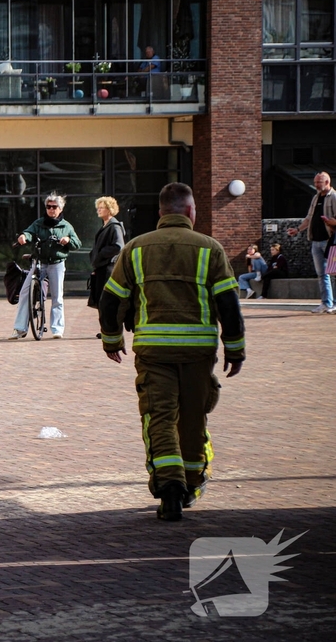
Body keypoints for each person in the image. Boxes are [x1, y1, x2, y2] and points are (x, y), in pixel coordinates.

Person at [99, 182, 245, 521]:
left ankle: (169, 489)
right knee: (194, 419)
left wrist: (111, 339)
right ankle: (192, 483)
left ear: (162, 213)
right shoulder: (211, 249)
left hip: (153, 352)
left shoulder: (136, 249)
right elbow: (229, 304)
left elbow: (111, 300)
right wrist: (235, 350)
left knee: (159, 418)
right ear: (191, 212)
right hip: (199, 353)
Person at [8, 192, 81, 340]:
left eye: (54, 207)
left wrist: (68, 240)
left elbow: (77, 244)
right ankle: (20, 329)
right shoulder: (39, 223)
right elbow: (29, 232)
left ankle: (57, 329)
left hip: (57, 264)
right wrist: (24, 237)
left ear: (60, 209)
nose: (51, 210)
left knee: (57, 297)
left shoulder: (66, 226)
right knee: (25, 292)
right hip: (39, 261)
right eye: (48, 207)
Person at [286, 172, 336, 313]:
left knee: (334, 273)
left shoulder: (334, 197)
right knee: (322, 274)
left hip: (330, 241)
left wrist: (332, 223)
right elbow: (309, 217)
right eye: (315, 182)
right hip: (316, 240)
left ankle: (334, 304)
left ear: (326, 182)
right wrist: (297, 229)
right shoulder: (316, 197)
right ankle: (326, 303)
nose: (315, 185)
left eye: (318, 182)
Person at [88, 196, 126, 313]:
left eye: (101, 208)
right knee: (100, 300)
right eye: (98, 208)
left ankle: (107, 330)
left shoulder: (114, 226)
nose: (98, 210)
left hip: (107, 269)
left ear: (109, 209)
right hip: (101, 268)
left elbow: (118, 246)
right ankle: (104, 329)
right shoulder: (105, 226)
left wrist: (101, 254)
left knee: (105, 301)